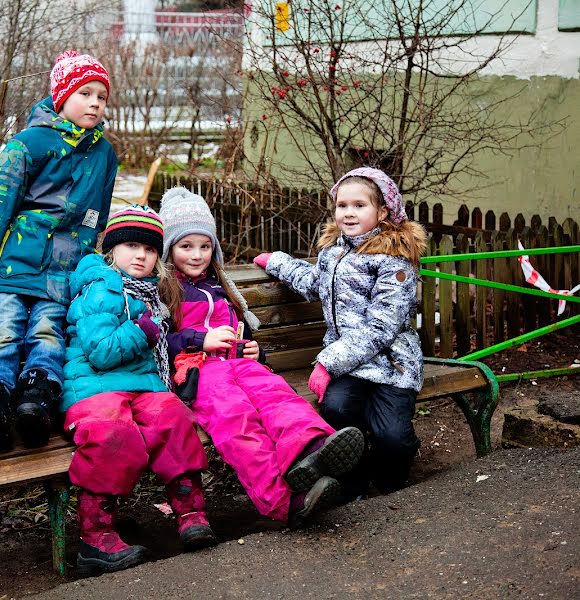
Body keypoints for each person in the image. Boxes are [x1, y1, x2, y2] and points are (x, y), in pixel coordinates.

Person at [159, 187, 364, 527]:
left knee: (278, 396)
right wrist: (200, 339)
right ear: (169, 248)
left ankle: (312, 451)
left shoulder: (220, 286)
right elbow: (160, 341)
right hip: (200, 372)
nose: (197, 255)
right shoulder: (164, 290)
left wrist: (255, 348)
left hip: (242, 364)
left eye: (205, 246)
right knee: (239, 424)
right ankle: (285, 503)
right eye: (186, 246)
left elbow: (241, 328)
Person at [0, 50, 118, 452]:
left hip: (61, 275)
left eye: (102, 95)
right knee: (4, 335)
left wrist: (85, 266)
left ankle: (36, 405)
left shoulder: (104, 154)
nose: (96, 103)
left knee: (48, 337)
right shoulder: (28, 144)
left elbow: (97, 217)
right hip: (12, 269)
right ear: (61, 97)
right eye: (86, 93)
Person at [62, 205, 217, 576]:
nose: (141, 255)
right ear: (111, 250)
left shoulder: (151, 294)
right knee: (112, 434)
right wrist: (143, 330)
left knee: (174, 418)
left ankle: (191, 514)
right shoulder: (99, 288)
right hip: (93, 388)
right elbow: (100, 352)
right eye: (131, 245)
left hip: (142, 386)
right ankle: (95, 539)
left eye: (149, 249)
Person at [255, 167, 428, 496]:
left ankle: (392, 481)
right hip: (349, 364)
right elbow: (314, 284)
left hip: (392, 364)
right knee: (337, 411)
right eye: (342, 205)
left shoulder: (395, 260)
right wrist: (276, 261)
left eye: (359, 205)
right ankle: (354, 485)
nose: (348, 212)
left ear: (383, 211)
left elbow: (382, 327)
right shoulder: (334, 253)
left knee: (391, 436)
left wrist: (326, 363)